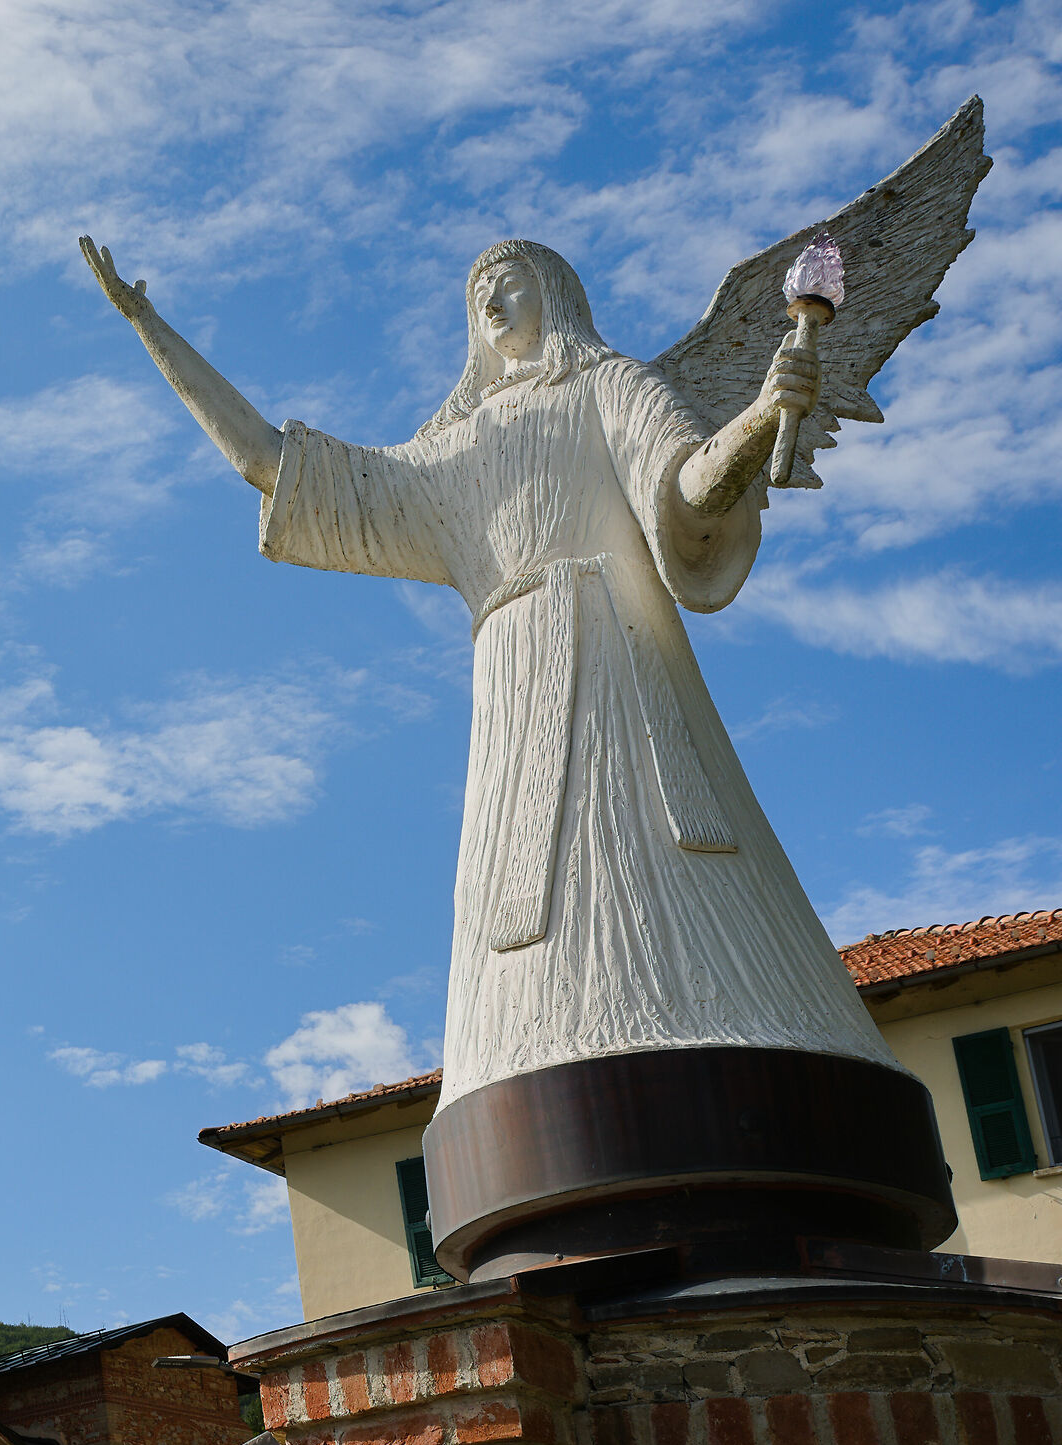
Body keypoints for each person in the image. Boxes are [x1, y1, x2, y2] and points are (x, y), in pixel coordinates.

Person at [79, 235, 895, 1106]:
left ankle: (731, 1018)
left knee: (654, 858)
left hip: (618, 654)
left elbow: (688, 491)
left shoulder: (610, 386)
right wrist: (149, 325)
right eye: (479, 300)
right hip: (512, 680)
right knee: (519, 890)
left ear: (555, 293)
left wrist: (762, 415)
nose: (494, 306)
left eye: (509, 284)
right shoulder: (454, 453)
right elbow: (269, 463)